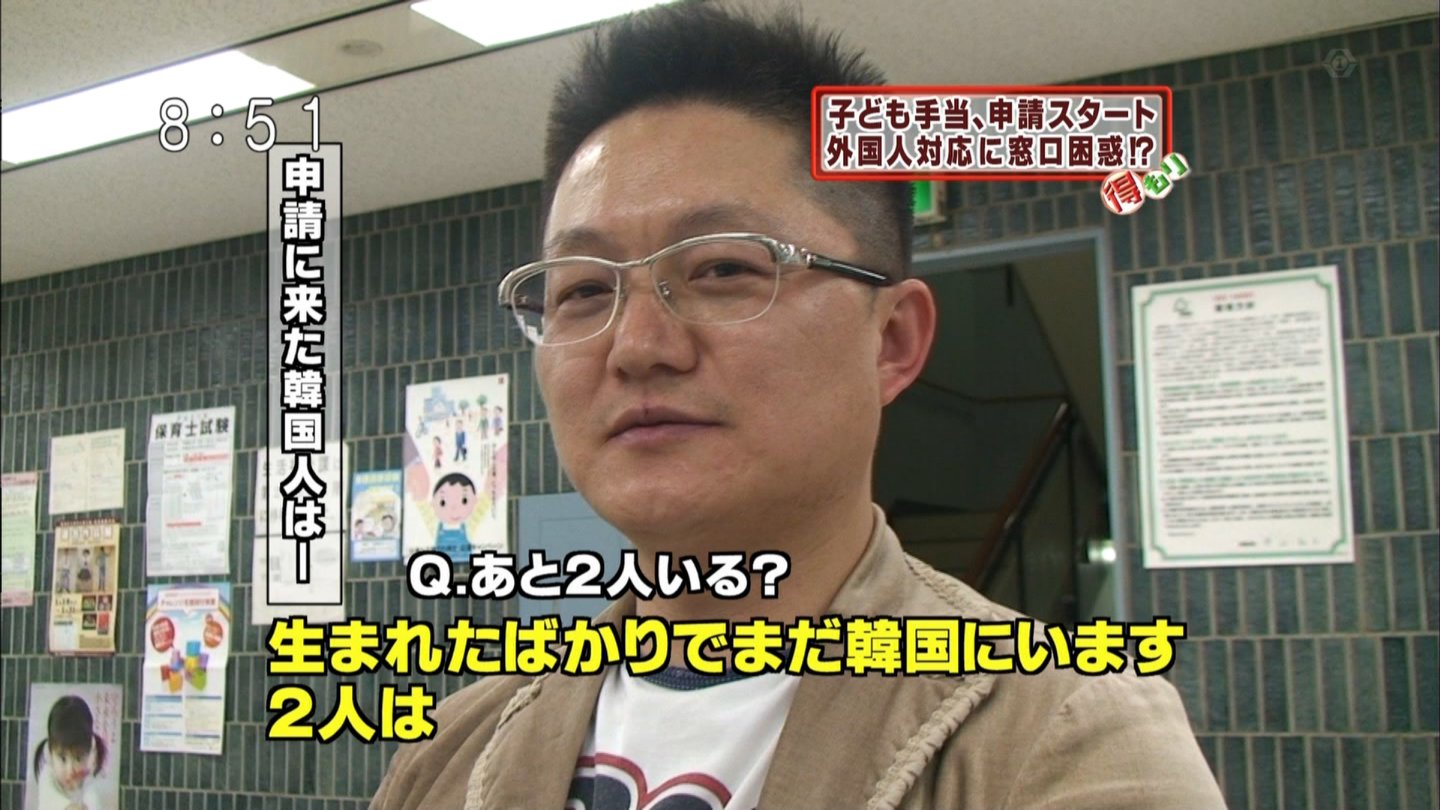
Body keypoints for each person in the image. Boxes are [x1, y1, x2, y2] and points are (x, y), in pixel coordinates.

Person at [372, 6, 1224, 809]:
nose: (636, 346)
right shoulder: (454, 745)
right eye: (583, 290)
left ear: (892, 341)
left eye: (723, 269)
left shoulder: (1061, 737)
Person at [31, 695, 107, 810]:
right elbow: (50, 801)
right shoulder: (47, 777)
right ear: (50, 752)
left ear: (89, 753)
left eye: (78, 759)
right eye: (63, 759)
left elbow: (94, 803)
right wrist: (68, 807)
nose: (70, 769)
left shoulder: (88, 782)